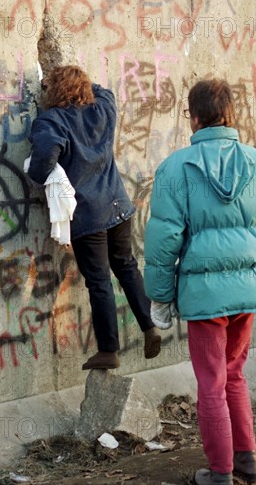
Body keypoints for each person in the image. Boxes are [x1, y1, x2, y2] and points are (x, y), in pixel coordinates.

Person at [143, 79, 256, 484]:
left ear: (192, 116)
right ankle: (247, 462)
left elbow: (162, 240)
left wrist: (159, 297)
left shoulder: (175, 168)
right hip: (249, 293)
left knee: (211, 382)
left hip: (204, 296)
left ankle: (221, 473)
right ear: (230, 113)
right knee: (234, 374)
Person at [27, 65, 161, 370]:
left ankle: (108, 350)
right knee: (126, 266)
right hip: (118, 205)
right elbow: (103, 91)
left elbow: (43, 160)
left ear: (56, 91)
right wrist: (80, 82)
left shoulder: (52, 121)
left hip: (88, 215)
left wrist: (37, 175)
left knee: (99, 280)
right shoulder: (102, 109)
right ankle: (149, 324)